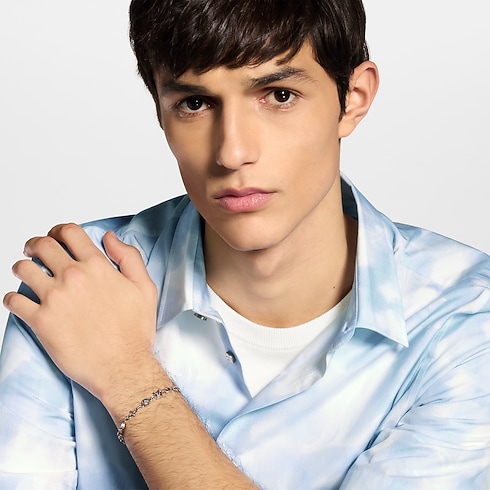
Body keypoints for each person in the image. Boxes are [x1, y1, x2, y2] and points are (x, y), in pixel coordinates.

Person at [1, 0, 489, 488]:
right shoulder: (77, 280)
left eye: (279, 95)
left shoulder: (465, 317)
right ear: (160, 112)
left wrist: (128, 377)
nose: (232, 152)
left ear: (354, 98)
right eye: (195, 104)